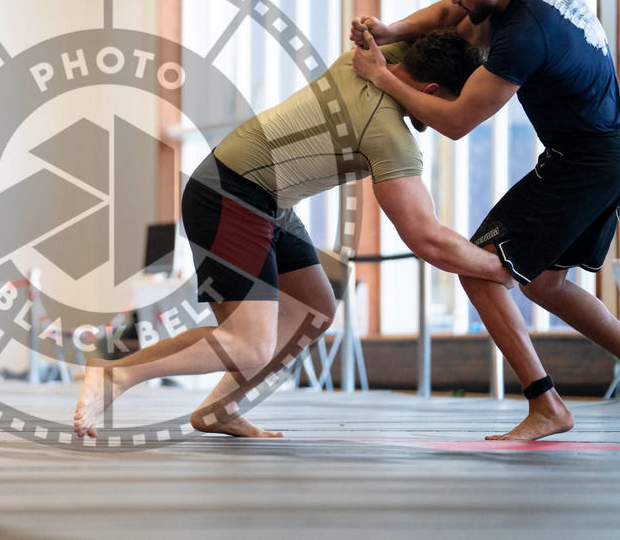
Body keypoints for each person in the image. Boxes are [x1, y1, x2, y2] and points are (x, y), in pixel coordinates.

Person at [73, 28, 514, 439]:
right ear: (431, 92)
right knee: (249, 346)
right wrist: (502, 267)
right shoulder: (387, 135)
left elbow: (451, 16)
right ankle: (117, 373)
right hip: (230, 194)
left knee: (314, 307)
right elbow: (427, 238)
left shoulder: (371, 58)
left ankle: (219, 409)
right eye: (451, 107)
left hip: (267, 199)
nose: (450, 120)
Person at [350, 0, 620, 441]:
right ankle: (551, 404)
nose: (453, 1)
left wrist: (382, 76)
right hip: (599, 151)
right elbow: (453, 15)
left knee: (479, 264)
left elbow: (454, 123)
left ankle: (547, 405)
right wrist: (391, 31)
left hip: (586, 160)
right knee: (543, 282)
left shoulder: (524, 36)